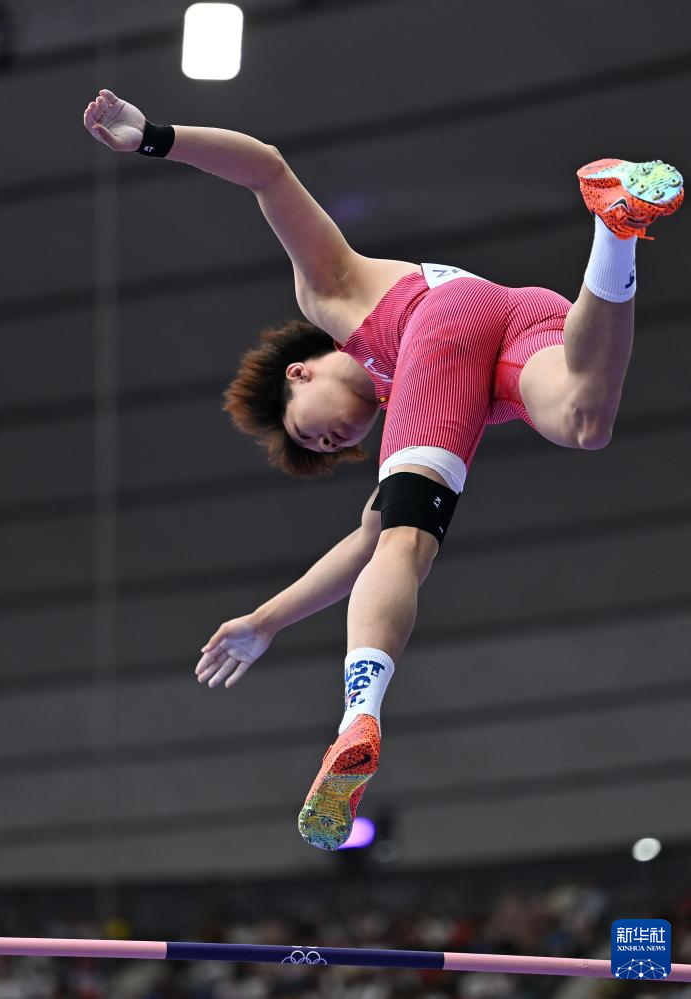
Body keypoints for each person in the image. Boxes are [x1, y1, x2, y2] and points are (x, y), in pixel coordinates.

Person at [83, 89, 683, 850]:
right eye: (329, 449)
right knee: (581, 423)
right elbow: (361, 543)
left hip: (442, 318)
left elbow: (266, 170)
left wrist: (153, 137)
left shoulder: (331, 293)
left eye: (311, 431)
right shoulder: (416, 400)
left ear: (300, 372)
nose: (333, 440)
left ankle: (357, 717)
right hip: (519, 320)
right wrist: (266, 621)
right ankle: (615, 227)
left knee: (409, 542)